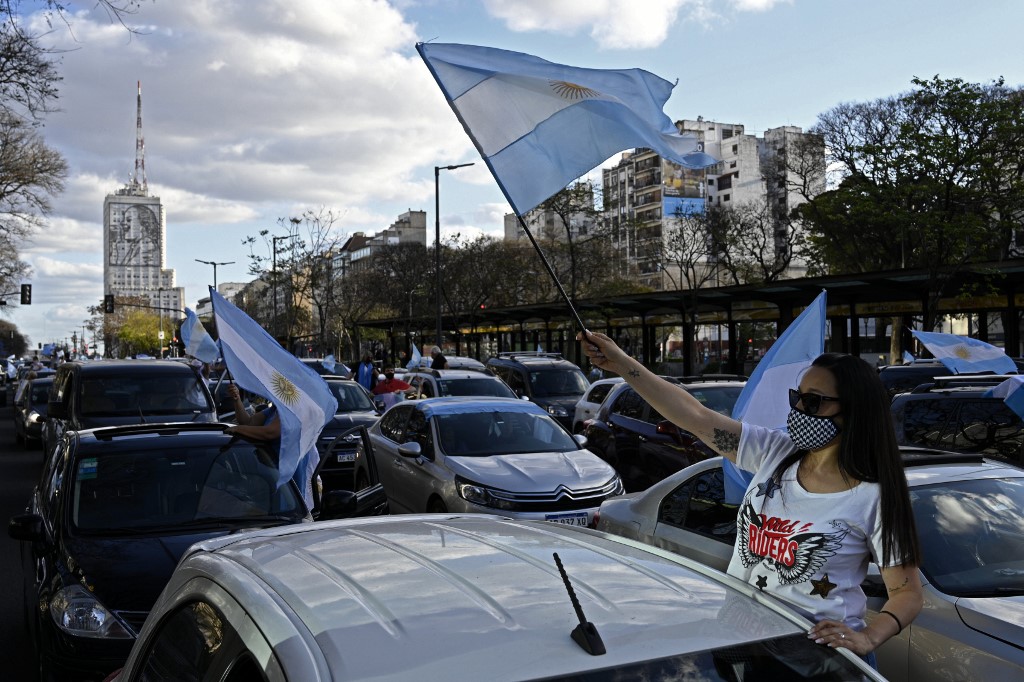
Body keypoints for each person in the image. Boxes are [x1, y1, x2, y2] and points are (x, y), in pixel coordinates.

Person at [578, 330, 922, 664]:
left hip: (821, 662)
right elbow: (693, 416)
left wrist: (869, 637)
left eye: (813, 401)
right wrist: (623, 364)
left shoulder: (875, 495)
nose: (799, 409)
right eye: (797, 397)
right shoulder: (774, 451)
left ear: (855, 411)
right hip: (748, 644)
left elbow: (907, 593)